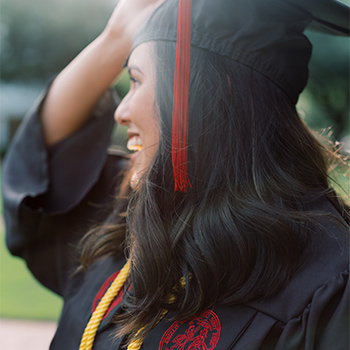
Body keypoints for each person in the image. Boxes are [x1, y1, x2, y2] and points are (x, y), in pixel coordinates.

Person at [2, 0, 349, 349]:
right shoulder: (127, 220)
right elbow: (41, 173)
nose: (121, 111)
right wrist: (116, 36)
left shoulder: (327, 283)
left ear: (206, 95)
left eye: (136, 80)